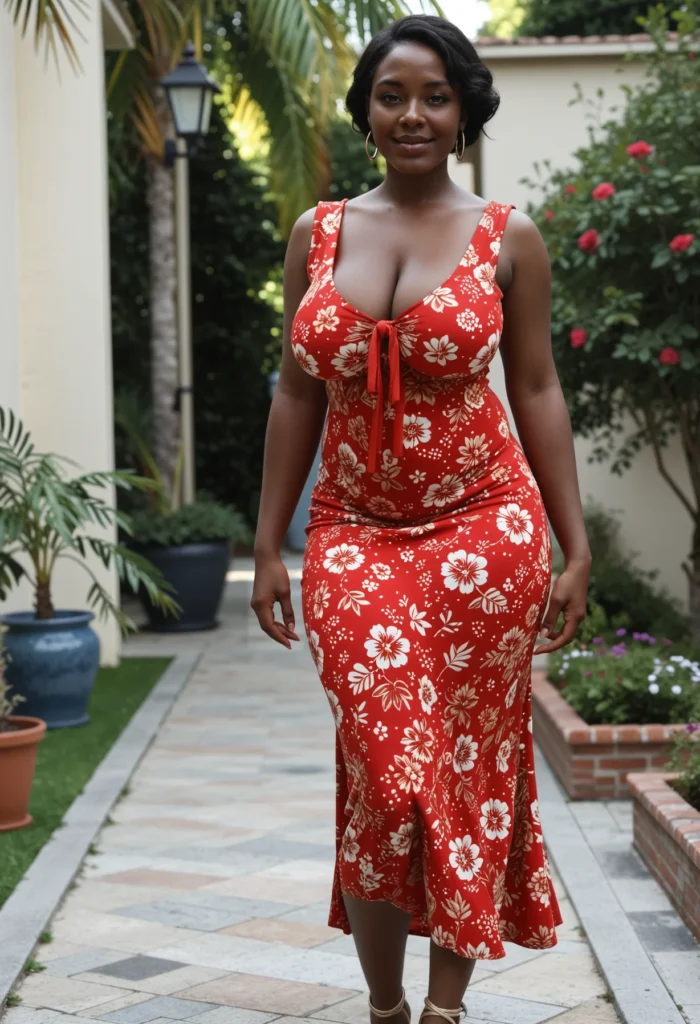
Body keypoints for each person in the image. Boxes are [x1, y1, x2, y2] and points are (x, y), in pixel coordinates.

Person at [252, 13, 590, 1024]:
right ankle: (384, 1001)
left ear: (461, 111)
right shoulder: (317, 233)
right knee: (386, 760)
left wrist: (575, 546)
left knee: (470, 768)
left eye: (433, 95)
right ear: (365, 109)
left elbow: (535, 389)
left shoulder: (506, 234)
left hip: (486, 536)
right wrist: (268, 544)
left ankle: (436, 1009)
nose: (411, 114)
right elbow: (295, 394)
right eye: (391, 94)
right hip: (354, 533)